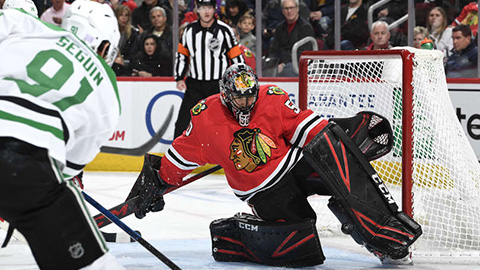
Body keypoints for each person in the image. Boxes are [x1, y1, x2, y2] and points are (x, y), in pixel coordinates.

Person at [128, 63, 422, 267]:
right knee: (302, 250)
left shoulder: (271, 98)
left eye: (248, 95)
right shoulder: (205, 119)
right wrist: (158, 181)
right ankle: (238, 233)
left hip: (294, 165)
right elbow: (178, 159)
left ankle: (380, 231)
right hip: (261, 190)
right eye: (237, 96)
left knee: (338, 150)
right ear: (225, 94)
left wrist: (347, 138)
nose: (244, 102)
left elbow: (309, 129)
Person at [0, 1, 124, 269]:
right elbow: (72, 163)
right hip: (27, 166)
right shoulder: (106, 82)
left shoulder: (28, 25)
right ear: (105, 46)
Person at [173, 0, 244, 138]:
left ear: (214, 9)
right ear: (197, 10)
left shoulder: (225, 30)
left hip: (218, 85)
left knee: (226, 122)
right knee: (182, 123)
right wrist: (179, 78)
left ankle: (232, 155)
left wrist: (240, 79)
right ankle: (176, 157)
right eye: (203, 7)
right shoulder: (189, 31)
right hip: (195, 85)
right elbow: (182, 56)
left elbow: (236, 57)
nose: (206, 11)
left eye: (210, 8)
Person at [266, 0, 314, 77]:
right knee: (266, 68)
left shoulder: (306, 28)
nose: (289, 11)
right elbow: (274, 49)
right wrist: (273, 62)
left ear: (297, 9)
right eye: (286, 8)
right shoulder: (279, 28)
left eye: (291, 8)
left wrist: (284, 63)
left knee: (287, 70)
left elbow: (303, 53)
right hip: (281, 63)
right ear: (282, 11)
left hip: (298, 64)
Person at [136, 6, 173, 76]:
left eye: (159, 16)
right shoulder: (144, 35)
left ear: (165, 18)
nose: (156, 19)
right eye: (153, 17)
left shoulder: (173, 35)